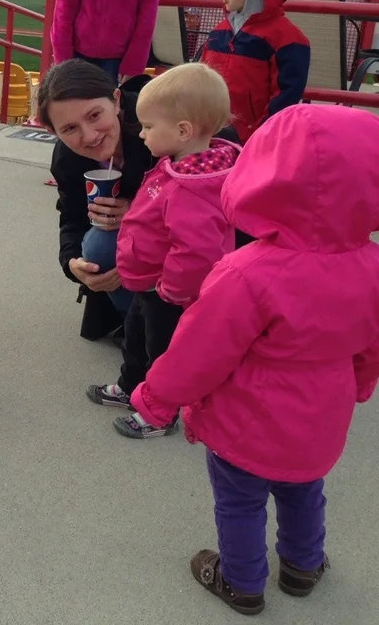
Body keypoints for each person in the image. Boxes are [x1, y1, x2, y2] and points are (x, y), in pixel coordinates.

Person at [129, 104, 379, 615]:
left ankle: (242, 582)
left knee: (240, 500)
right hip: (322, 413)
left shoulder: (246, 272)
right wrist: (358, 382)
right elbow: (371, 343)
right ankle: (303, 565)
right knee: (304, 489)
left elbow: (200, 352)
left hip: (247, 419)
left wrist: (155, 399)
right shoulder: (371, 265)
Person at [85, 63, 240, 439]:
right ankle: (131, 386)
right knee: (136, 335)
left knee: (164, 352)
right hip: (150, 283)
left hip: (168, 291)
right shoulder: (177, 167)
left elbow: (196, 250)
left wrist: (170, 288)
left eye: (150, 128)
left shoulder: (192, 188)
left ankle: (160, 412)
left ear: (183, 131)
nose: (142, 136)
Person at [39, 59, 154, 341]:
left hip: (195, 243)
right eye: (69, 129)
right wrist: (73, 264)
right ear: (54, 133)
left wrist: (140, 212)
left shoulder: (160, 120)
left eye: (94, 116)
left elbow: (211, 199)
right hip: (135, 255)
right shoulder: (67, 160)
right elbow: (72, 217)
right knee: (98, 245)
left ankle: (166, 325)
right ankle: (137, 327)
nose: (89, 136)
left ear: (116, 100)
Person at [200, 0, 310, 143]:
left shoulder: (289, 40)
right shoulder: (219, 32)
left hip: (251, 140)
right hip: (208, 134)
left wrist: (259, 138)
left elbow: (284, 99)